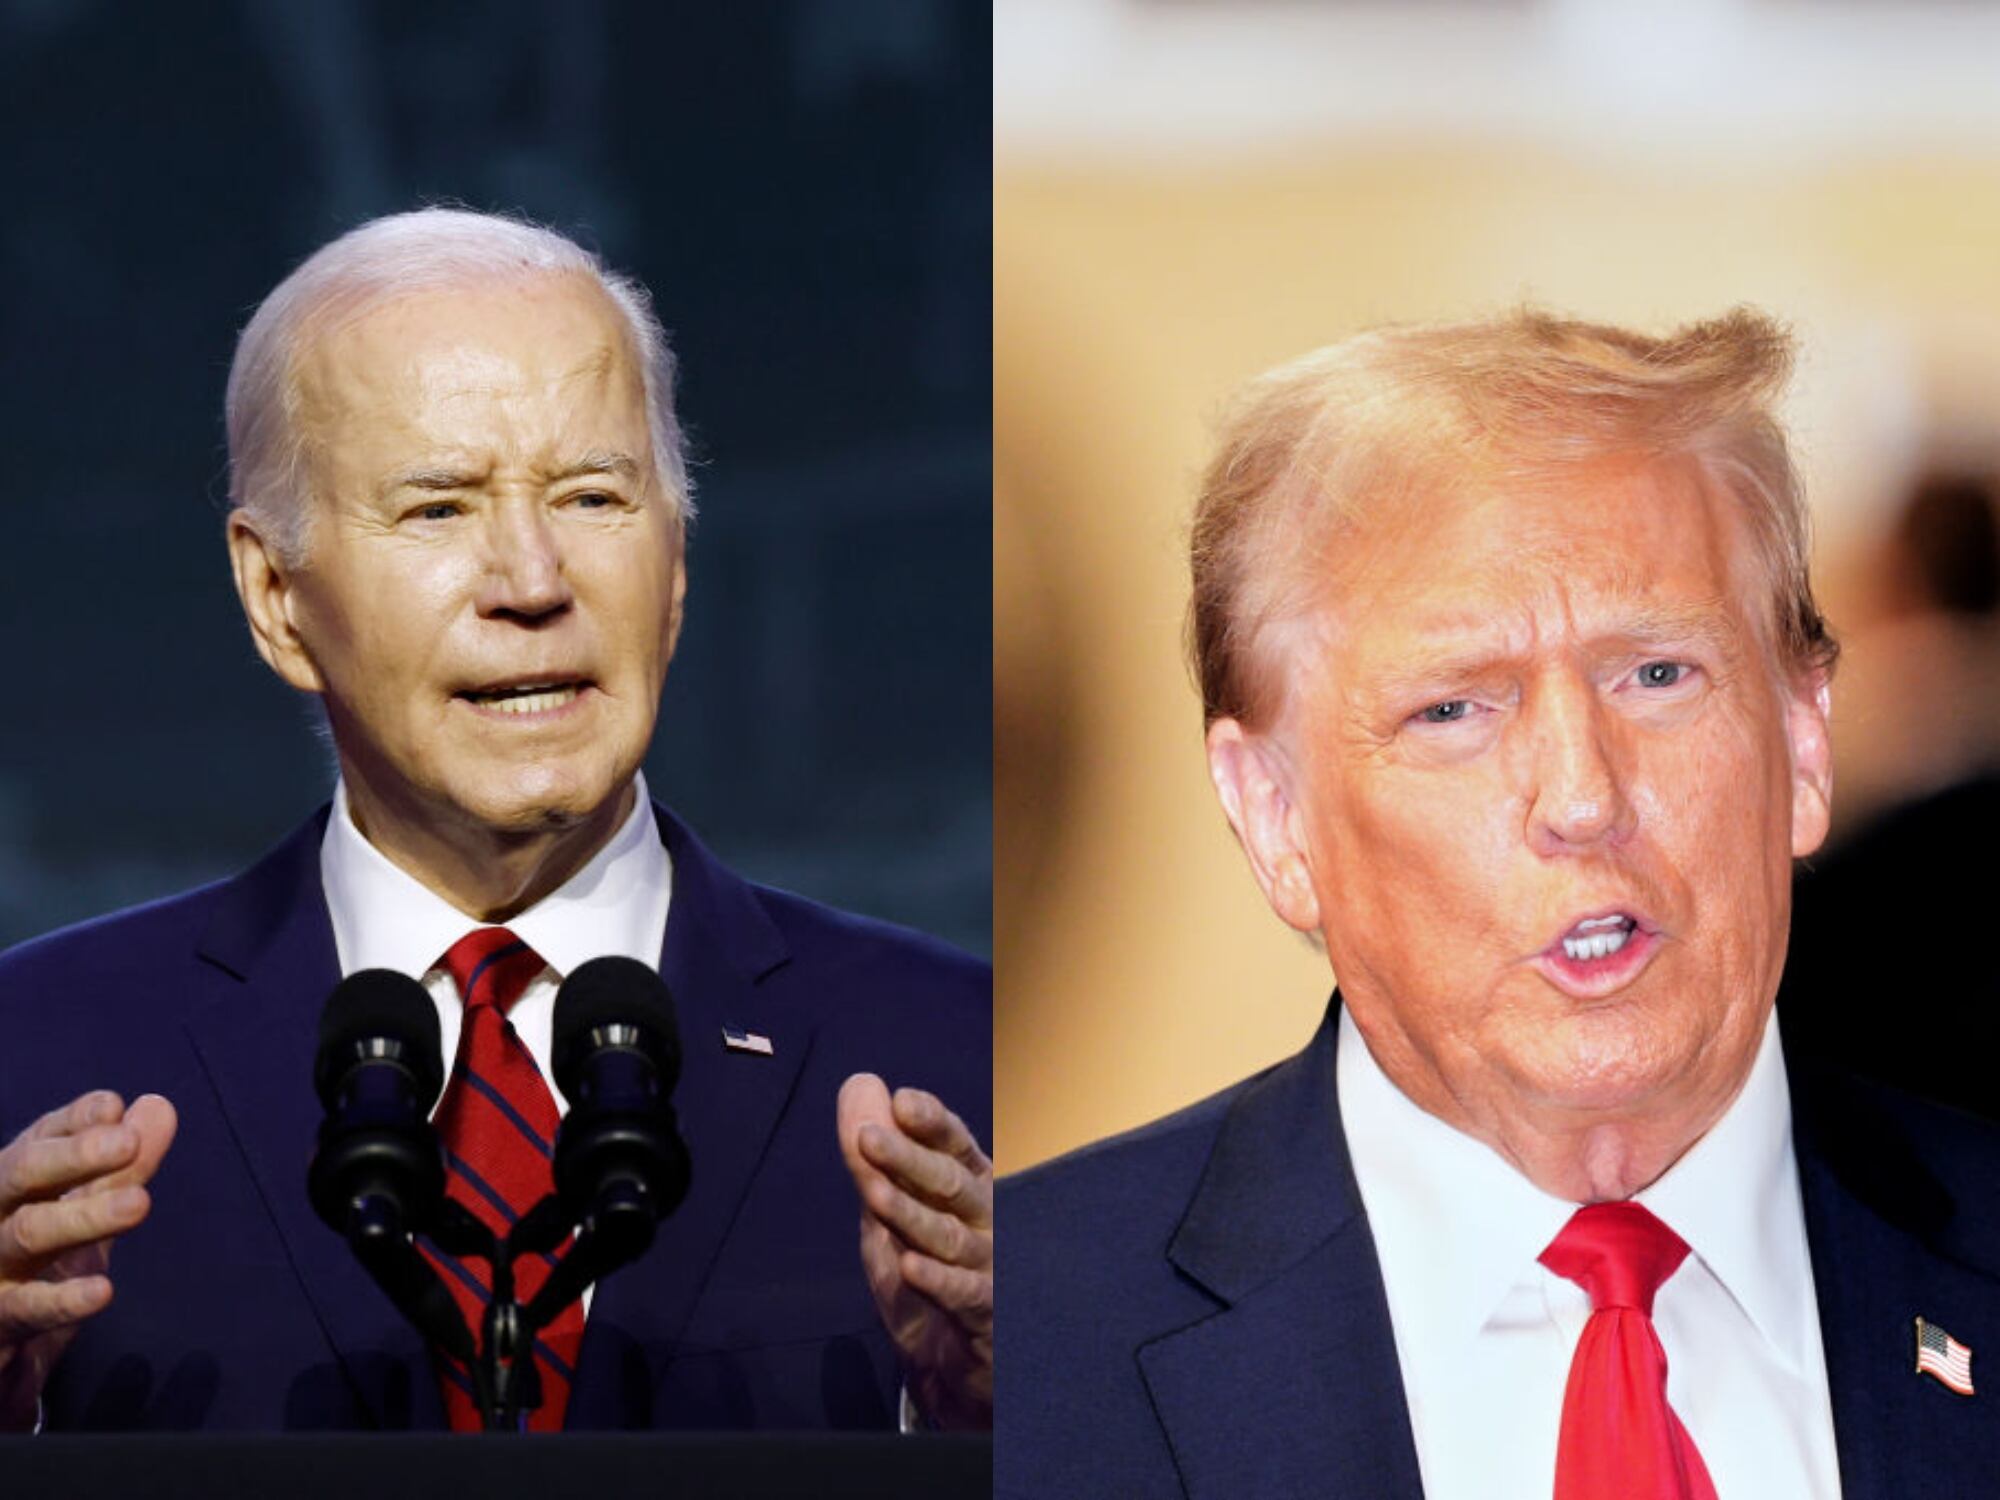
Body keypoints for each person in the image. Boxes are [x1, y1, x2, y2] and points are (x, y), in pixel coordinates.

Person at [0, 209, 991, 1434]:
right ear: (275, 598)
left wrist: (989, 1417)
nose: (531, 581)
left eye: (590, 496)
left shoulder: (963, 1068)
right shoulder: (33, 1065)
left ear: (675, 569)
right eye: (438, 509)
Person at [1000, 309, 2000, 1497]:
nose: (1581, 798)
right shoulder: (1011, 1348)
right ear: (1273, 817)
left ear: (1801, 743)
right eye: (1454, 710)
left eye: (1655, 675)